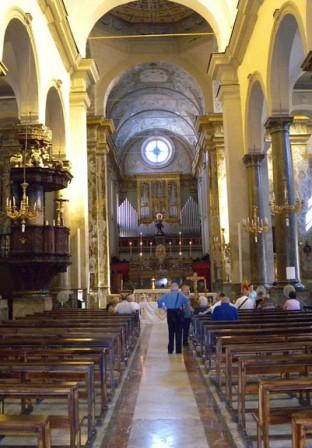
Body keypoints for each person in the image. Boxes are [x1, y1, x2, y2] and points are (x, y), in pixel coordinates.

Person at [157, 282, 189, 354]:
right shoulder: (180, 295)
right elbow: (186, 301)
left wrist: (163, 307)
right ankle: (178, 350)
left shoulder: (167, 295)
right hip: (178, 313)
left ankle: (170, 349)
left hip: (170, 313)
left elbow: (159, 301)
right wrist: (182, 305)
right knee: (179, 331)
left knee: (171, 331)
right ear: (177, 288)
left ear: (171, 288)